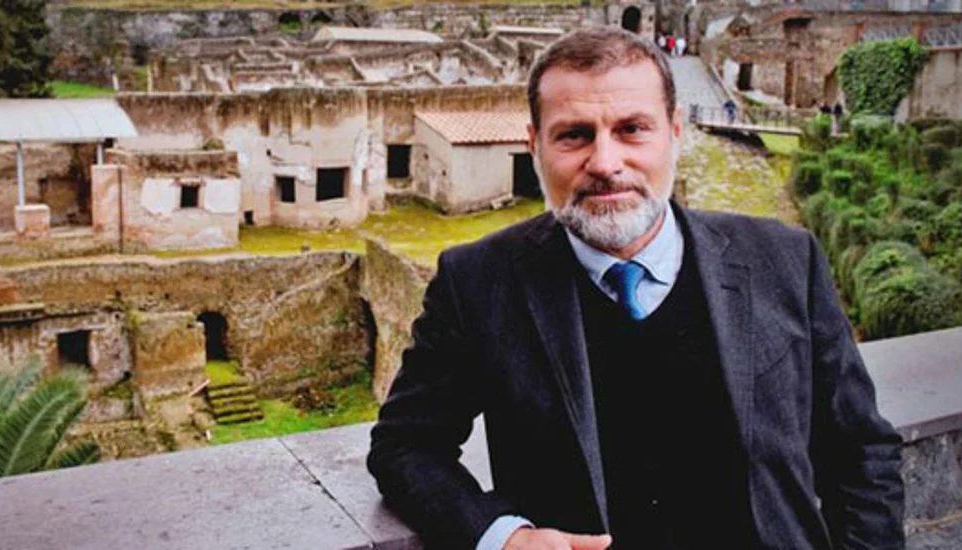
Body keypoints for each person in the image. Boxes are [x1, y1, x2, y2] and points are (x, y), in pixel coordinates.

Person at [368, 26, 904, 550]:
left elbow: (859, 451)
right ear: (534, 145)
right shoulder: (478, 282)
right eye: (574, 134)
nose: (605, 163)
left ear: (675, 131)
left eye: (632, 129)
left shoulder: (784, 260)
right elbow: (406, 445)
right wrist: (505, 537)